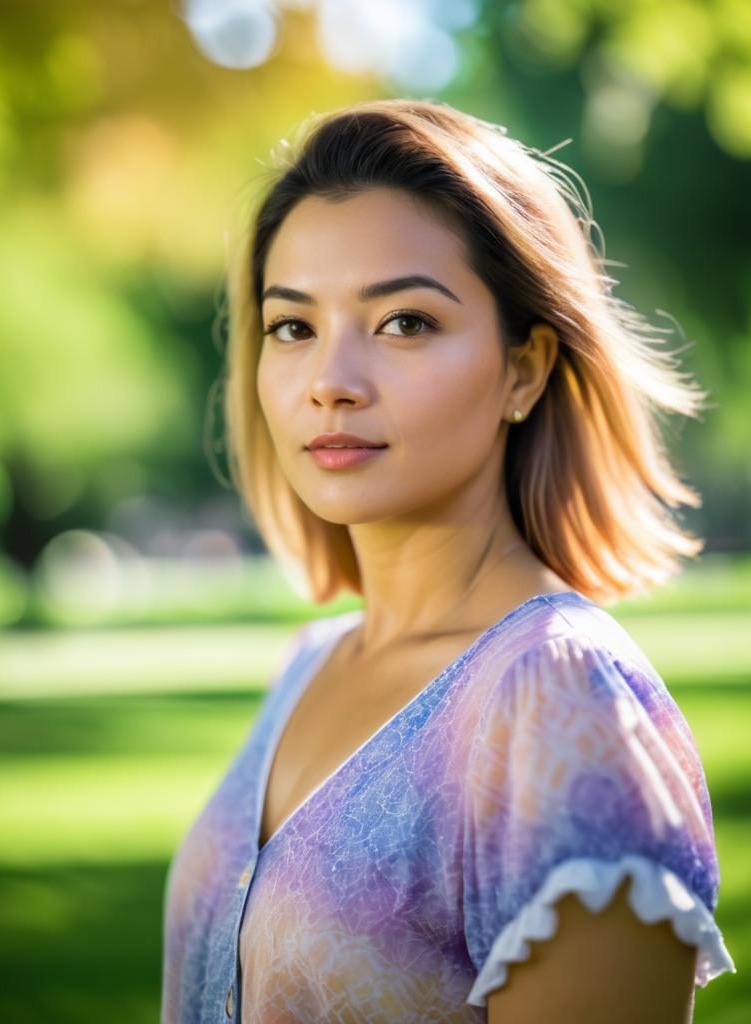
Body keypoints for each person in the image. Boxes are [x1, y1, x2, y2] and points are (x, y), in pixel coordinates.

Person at [160, 98, 736, 1023]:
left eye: (404, 323)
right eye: (293, 327)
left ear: (525, 369)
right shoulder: (309, 667)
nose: (330, 383)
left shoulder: (557, 697)